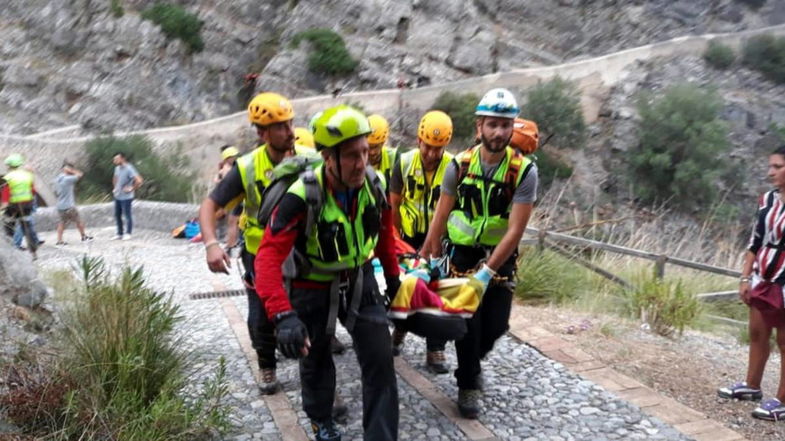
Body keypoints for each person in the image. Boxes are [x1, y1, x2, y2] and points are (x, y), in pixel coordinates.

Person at [255, 105, 401, 441]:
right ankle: (321, 419)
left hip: (359, 278)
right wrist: (282, 314)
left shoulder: (374, 186)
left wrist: (393, 281)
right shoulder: (301, 196)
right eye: (351, 155)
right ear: (327, 157)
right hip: (311, 285)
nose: (362, 163)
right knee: (316, 357)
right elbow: (267, 258)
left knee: (380, 359)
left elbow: (384, 238)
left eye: (365, 152)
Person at [420, 88, 538, 419]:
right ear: (479, 127)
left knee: (497, 325)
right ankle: (468, 383)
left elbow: (515, 229)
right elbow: (440, 218)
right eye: (492, 125)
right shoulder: (458, 166)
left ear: (512, 128)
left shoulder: (523, 171)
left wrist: (487, 272)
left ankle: (472, 363)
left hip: (499, 261)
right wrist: (429, 259)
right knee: (467, 325)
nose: (498, 132)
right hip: (460, 258)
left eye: (505, 125)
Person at [200, 92, 300, 395]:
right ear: (261, 132)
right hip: (260, 254)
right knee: (260, 314)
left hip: (302, 252)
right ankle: (267, 365)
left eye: (290, 123)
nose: (289, 131)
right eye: (280, 127)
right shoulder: (247, 167)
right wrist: (211, 245)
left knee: (312, 312)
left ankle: (317, 375)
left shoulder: (307, 158)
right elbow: (209, 205)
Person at [718, 145, 785, 421]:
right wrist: (745, 276)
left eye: (777, 167)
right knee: (758, 332)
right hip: (762, 274)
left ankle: (783, 400)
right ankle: (751, 386)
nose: (770, 172)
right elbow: (754, 241)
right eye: (770, 166)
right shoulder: (767, 200)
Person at [389, 110, 455, 374]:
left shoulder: (453, 166)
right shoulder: (403, 163)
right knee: (407, 288)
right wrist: (395, 241)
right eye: (428, 146)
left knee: (438, 291)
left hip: (439, 240)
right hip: (409, 238)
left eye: (438, 148)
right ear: (419, 141)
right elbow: (393, 204)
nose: (432, 153)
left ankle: (435, 349)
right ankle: (401, 329)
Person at [1, 154, 40, 257]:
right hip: (27, 205)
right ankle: (34, 253)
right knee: (27, 228)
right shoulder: (28, 175)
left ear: (9, 166)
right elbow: (33, 191)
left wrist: (2, 209)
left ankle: (9, 252)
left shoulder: (7, 178)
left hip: (13, 207)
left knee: (8, 227)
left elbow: (5, 199)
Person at [54, 162, 93, 245]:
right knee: (78, 221)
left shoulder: (57, 179)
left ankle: (59, 240)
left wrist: (67, 170)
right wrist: (72, 171)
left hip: (60, 206)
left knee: (62, 223)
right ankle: (84, 236)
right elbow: (80, 174)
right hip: (69, 205)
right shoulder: (68, 179)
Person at [111, 152, 143, 240]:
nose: (115, 161)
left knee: (127, 215)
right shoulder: (117, 168)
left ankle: (128, 233)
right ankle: (119, 233)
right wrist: (115, 188)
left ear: (123, 159)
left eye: (117, 159)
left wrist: (132, 188)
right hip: (118, 195)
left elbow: (139, 180)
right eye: (114, 159)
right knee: (117, 215)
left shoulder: (129, 168)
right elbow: (115, 178)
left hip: (126, 197)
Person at [215, 145, 242, 249]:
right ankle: (232, 243)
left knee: (232, 221)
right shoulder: (239, 166)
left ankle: (231, 244)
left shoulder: (230, 169)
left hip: (238, 198)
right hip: (239, 198)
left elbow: (222, 182)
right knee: (233, 221)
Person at [367, 114, 399, 183]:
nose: (372, 152)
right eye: (368, 147)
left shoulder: (395, 158)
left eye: (376, 146)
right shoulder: (356, 161)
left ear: (383, 143)